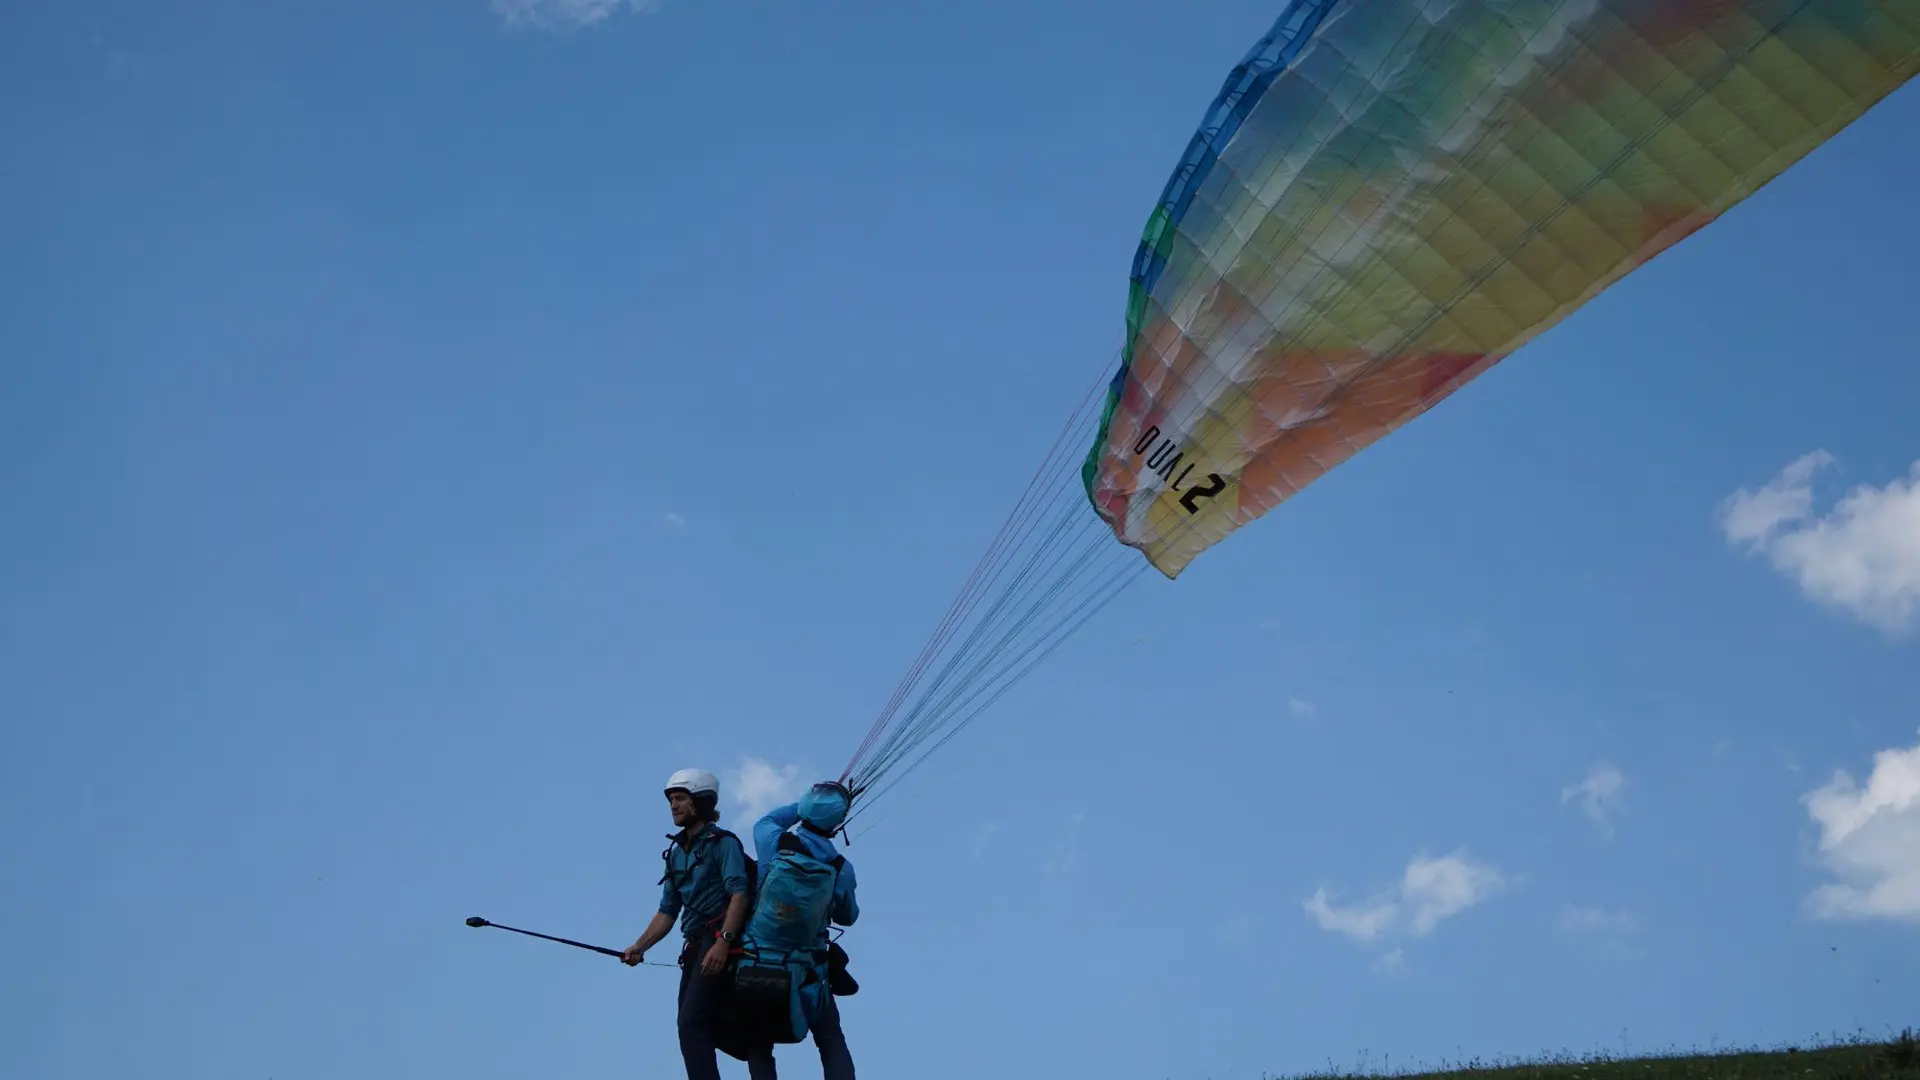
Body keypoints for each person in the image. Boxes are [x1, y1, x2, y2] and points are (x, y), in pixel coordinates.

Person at [622, 768, 777, 1080]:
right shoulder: (675, 854)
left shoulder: (724, 844)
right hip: (695, 946)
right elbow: (667, 911)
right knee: (700, 1026)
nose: (674, 806)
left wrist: (723, 942)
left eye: (680, 798)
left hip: (721, 938)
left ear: (701, 802)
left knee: (692, 1025)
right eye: (671, 800)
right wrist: (639, 947)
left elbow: (739, 894)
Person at [748, 781, 860, 1080]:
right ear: (837, 822)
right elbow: (848, 917)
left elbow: (767, 820)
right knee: (830, 1038)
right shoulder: (840, 867)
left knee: (759, 1043)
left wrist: (804, 806)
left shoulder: (773, 840)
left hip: (758, 959)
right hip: (809, 967)